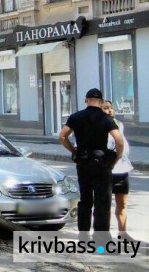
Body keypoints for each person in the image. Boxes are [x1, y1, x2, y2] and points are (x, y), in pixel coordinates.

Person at [59, 88, 124, 239]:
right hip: (102, 164)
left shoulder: (75, 117)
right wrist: (116, 157)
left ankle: (83, 236)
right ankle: (101, 240)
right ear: (101, 102)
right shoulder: (106, 118)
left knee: (85, 200)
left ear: (85, 100)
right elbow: (119, 140)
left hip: (83, 162)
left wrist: (73, 150)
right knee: (102, 202)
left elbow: (62, 136)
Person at [102, 100, 133, 237]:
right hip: (107, 170)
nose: (109, 110)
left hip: (122, 169)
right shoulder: (97, 126)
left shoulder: (119, 125)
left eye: (111, 108)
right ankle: (104, 234)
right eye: (105, 108)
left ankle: (123, 232)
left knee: (122, 203)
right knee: (104, 204)